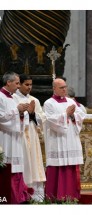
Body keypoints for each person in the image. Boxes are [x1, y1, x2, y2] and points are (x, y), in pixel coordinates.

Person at [43, 78, 86, 201]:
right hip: (57, 140)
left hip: (71, 139)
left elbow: (80, 116)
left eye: (65, 87)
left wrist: (73, 115)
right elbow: (51, 120)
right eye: (61, 87)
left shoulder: (70, 101)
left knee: (71, 167)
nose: (64, 89)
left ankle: (72, 196)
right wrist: (65, 114)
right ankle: (55, 196)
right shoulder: (48, 103)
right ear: (54, 89)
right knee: (58, 167)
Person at [13, 74, 46, 202]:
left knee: (34, 162)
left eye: (31, 85)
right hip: (20, 136)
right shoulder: (14, 98)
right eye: (26, 84)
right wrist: (25, 114)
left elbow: (42, 118)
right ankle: (22, 195)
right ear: (19, 84)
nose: (29, 87)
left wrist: (32, 114)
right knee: (24, 161)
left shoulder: (35, 100)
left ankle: (36, 196)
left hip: (32, 135)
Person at [0, 72, 32, 203]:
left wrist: (23, 113)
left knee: (17, 168)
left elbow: (19, 120)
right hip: (4, 137)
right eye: (17, 83)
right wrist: (16, 110)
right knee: (8, 170)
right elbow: (1, 117)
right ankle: (7, 198)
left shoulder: (13, 98)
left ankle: (17, 197)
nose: (19, 86)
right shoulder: (0, 96)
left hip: (15, 137)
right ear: (9, 82)